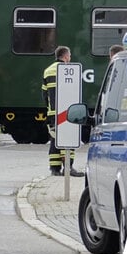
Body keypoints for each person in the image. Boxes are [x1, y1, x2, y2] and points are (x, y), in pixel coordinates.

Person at [42, 46, 84, 177]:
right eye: (69, 56)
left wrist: (49, 108)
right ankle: (69, 167)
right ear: (65, 57)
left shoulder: (48, 71)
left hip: (52, 112)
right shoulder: (69, 70)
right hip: (67, 112)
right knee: (69, 138)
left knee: (55, 139)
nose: (70, 58)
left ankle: (54, 169)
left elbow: (44, 94)